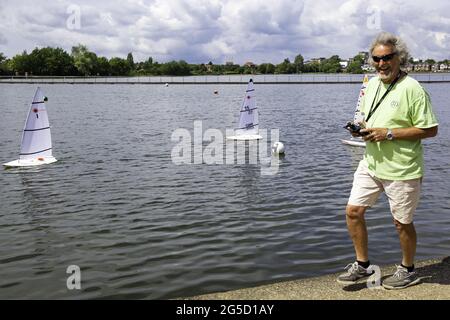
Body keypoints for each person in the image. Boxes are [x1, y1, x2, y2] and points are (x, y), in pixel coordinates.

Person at [338, 32, 439, 289]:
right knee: (353, 211)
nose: (382, 63)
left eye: (387, 58)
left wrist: (389, 133)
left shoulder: (413, 89)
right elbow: (365, 116)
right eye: (377, 59)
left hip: (402, 168)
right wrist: (359, 128)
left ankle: (408, 269)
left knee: (401, 222)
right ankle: (362, 265)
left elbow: (430, 130)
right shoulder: (371, 85)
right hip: (371, 162)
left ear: (399, 58)